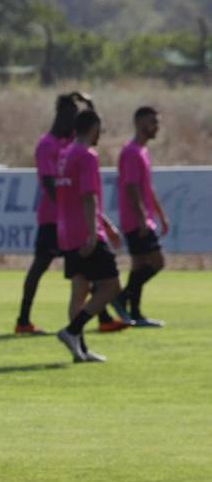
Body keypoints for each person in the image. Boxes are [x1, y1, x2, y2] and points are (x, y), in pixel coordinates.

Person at [16, 92, 124, 334]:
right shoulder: (47, 146)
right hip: (53, 220)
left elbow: (91, 127)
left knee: (85, 274)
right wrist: (72, 210)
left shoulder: (71, 147)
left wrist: (90, 104)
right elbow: (51, 186)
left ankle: (99, 321)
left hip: (72, 220)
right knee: (40, 268)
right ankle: (23, 320)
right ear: (63, 117)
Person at [55, 110, 124, 363]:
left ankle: (79, 349)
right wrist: (94, 235)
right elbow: (87, 196)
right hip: (85, 232)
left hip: (66, 231)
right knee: (112, 286)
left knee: (80, 290)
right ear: (94, 127)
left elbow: (76, 196)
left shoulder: (65, 155)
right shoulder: (87, 156)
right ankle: (72, 331)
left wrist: (105, 224)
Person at [111, 106, 169, 328]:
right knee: (157, 262)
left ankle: (135, 313)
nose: (156, 127)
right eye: (152, 122)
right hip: (135, 220)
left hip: (142, 218)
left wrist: (161, 215)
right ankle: (121, 298)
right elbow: (131, 188)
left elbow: (147, 188)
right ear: (140, 123)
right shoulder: (131, 152)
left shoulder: (142, 152)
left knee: (138, 266)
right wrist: (143, 218)